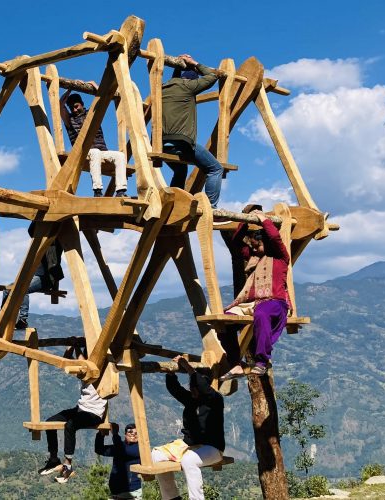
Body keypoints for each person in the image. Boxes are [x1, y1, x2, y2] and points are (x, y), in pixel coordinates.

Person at [219, 207, 291, 380]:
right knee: (222, 322)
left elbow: (274, 237)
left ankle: (261, 361)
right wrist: (246, 220)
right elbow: (236, 242)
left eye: (257, 245)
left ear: (265, 242)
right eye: (253, 246)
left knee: (262, 312)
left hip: (275, 302)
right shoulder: (253, 259)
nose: (255, 249)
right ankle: (235, 363)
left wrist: (263, 220)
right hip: (252, 303)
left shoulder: (280, 257)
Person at [151, 356, 225, 500]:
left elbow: (203, 387)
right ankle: (172, 498)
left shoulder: (215, 400)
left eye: (195, 386)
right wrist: (170, 374)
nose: (192, 389)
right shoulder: (191, 400)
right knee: (157, 455)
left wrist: (188, 368)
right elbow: (175, 390)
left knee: (189, 460)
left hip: (212, 448)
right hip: (189, 445)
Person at [38, 345, 108, 484]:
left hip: (94, 414)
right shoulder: (85, 369)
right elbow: (66, 361)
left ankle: (68, 465)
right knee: (49, 422)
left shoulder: (101, 370)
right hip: (80, 409)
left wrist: (76, 346)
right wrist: (71, 347)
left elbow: (83, 362)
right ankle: (53, 459)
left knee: (70, 425)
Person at [161, 54, 224, 207]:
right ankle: (211, 208)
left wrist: (178, 65)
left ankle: (173, 204)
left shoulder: (162, 88)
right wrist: (194, 62)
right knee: (216, 169)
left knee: (180, 170)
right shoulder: (188, 87)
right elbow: (212, 76)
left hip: (161, 143)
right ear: (191, 81)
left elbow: (175, 80)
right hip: (181, 143)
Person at [60, 88, 129, 197]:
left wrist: (94, 86)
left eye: (76, 106)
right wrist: (70, 89)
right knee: (95, 152)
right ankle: (97, 190)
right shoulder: (69, 120)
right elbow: (60, 105)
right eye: (72, 108)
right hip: (82, 153)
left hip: (102, 151)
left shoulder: (92, 114)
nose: (74, 110)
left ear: (82, 104)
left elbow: (104, 98)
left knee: (120, 156)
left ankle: (121, 191)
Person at [1, 222, 63, 329]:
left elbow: (54, 258)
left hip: (46, 278)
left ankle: (23, 319)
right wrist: (37, 220)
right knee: (7, 289)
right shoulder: (36, 245)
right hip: (35, 277)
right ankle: (3, 318)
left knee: (23, 288)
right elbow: (31, 230)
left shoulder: (52, 244)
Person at [95, 422, 142, 499]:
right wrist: (101, 433)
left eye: (136, 433)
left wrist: (115, 434)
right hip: (116, 493)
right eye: (130, 432)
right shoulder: (119, 447)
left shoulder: (139, 448)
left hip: (132, 492)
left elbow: (123, 450)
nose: (133, 434)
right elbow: (99, 449)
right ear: (125, 434)